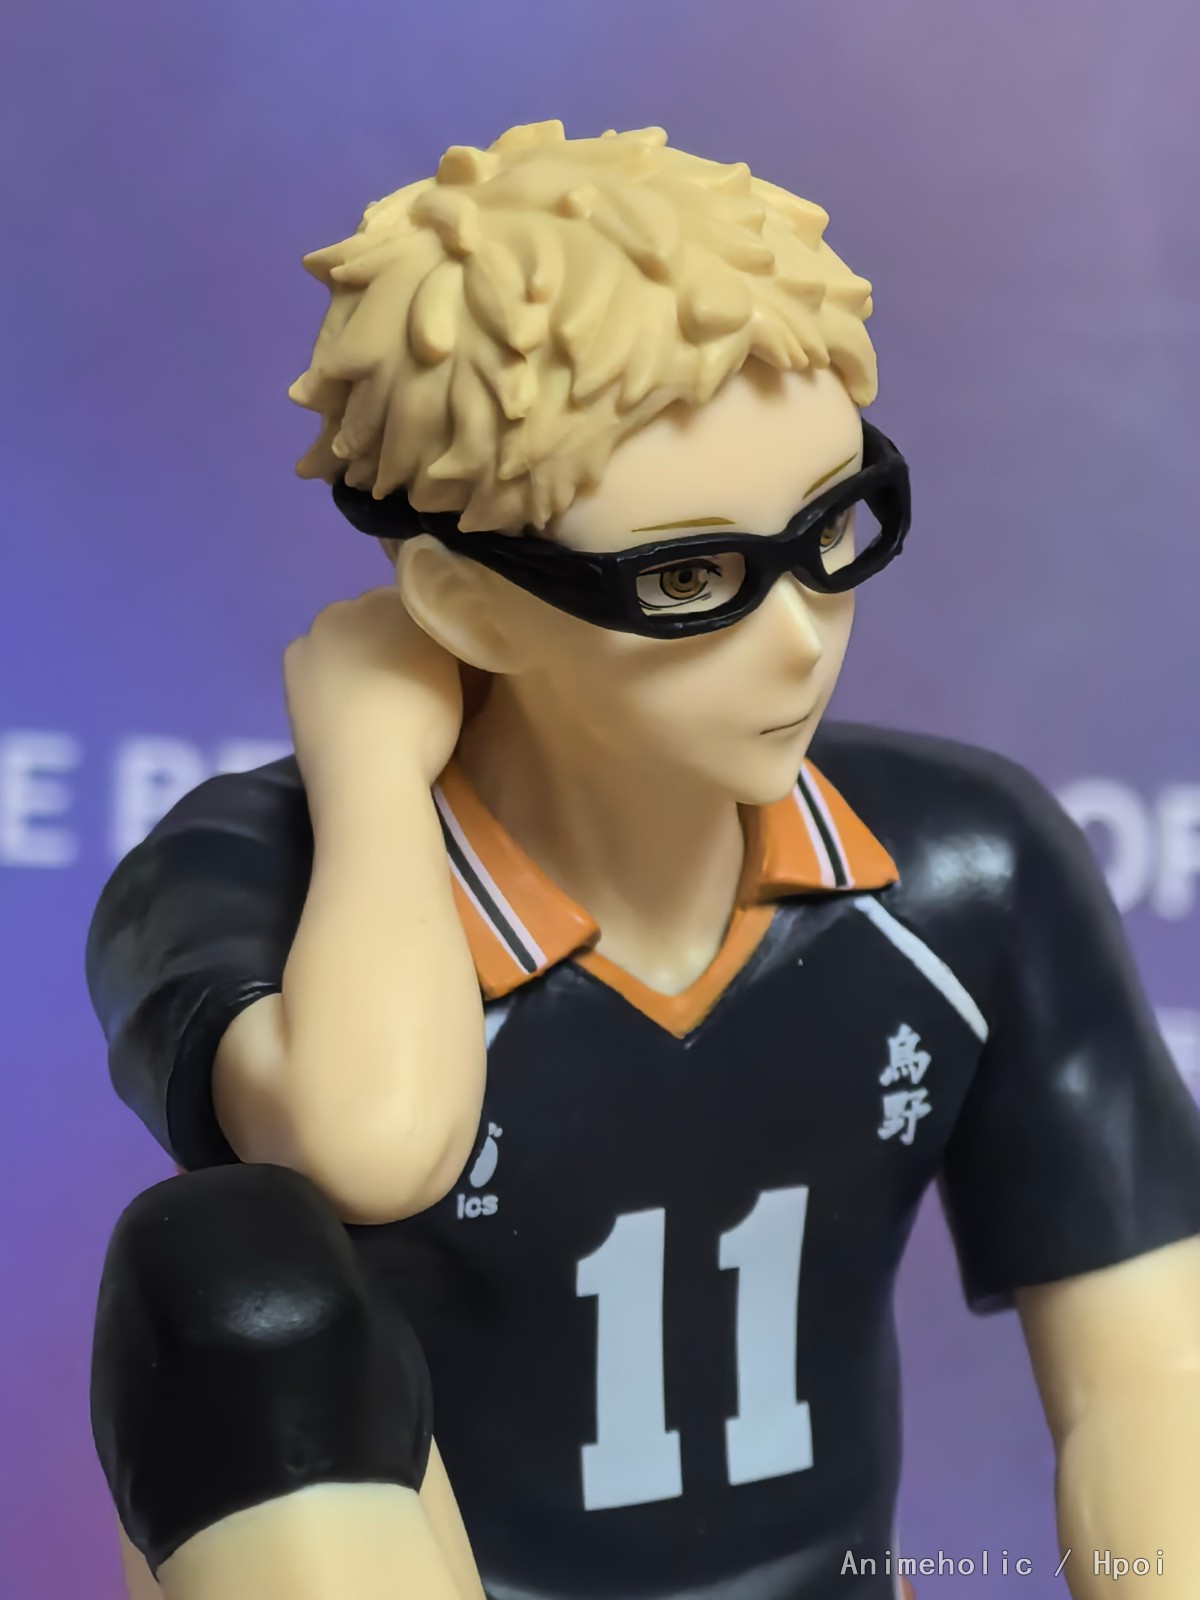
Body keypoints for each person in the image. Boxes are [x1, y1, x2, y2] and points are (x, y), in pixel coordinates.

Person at [87, 122, 1200, 1600]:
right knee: (230, 1270)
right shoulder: (244, 878)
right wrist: (372, 776)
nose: (799, 637)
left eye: (833, 528)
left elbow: (1152, 1382)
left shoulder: (961, 871)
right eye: (689, 576)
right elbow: (370, 1142)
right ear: (468, 606)